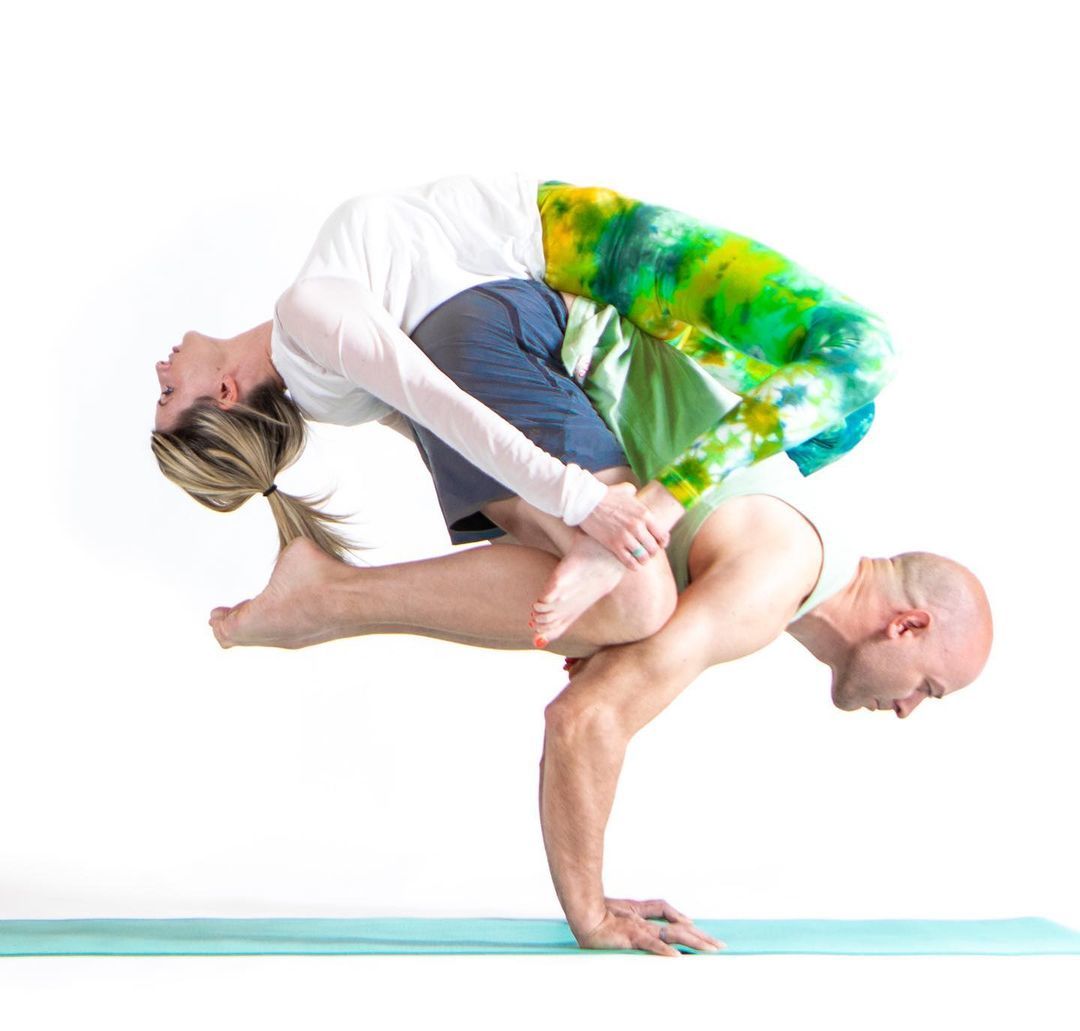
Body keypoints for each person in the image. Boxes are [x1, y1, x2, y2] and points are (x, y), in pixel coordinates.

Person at [206, 278, 992, 955]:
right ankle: (323, 596)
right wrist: (591, 912)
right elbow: (586, 721)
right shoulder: (775, 577)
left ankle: (322, 594)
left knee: (627, 603)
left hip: (490, 336)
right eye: (929, 688)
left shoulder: (783, 547)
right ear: (909, 625)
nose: (908, 709)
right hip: (511, 335)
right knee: (630, 599)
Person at [151, 173, 897, 643]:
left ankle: (669, 567)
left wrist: (582, 597)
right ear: (225, 395)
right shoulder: (310, 310)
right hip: (588, 246)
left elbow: (451, 433)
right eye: (167, 392)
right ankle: (327, 600)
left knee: (834, 424)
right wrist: (585, 506)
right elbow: (439, 404)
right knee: (860, 357)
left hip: (562, 307)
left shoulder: (328, 393)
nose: (161, 369)